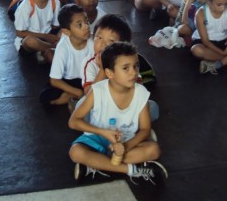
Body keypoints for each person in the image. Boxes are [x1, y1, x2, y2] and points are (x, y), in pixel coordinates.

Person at [69, 42, 167, 182]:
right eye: (125, 68)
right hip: (97, 138)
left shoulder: (141, 93)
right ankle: (131, 169)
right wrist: (103, 132)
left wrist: (124, 147)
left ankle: (97, 164)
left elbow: (145, 129)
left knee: (154, 150)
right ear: (109, 73)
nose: (133, 72)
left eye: (136, 66)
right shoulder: (97, 90)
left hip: (126, 141)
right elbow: (73, 121)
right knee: (75, 151)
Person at [40, 5, 94, 106]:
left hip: (89, 79)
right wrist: (77, 92)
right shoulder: (63, 47)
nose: (86, 26)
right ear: (66, 31)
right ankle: (74, 97)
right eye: (80, 25)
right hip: (69, 80)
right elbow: (55, 80)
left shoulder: (92, 41)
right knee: (45, 96)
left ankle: (74, 99)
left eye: (86, 21)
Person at [14, 0, 60, 64]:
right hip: (30, 40)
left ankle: (45, 51)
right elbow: (20, 33)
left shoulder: (55, 2)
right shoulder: (27, 5)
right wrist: (45, 37)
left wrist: (55, 35)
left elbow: (56, 27)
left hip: (47, 37)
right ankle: (57, 49)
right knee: (30, 41)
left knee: (65, 32)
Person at [190, 0, 227, 75]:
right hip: (206, 44)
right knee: (196, 50)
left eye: (226, 3)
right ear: (208, 0)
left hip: (223, 42)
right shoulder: (201, 13)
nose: (223, 8)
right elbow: (205, 41)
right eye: (219, 4)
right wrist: (223, 53)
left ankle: (217, 64)